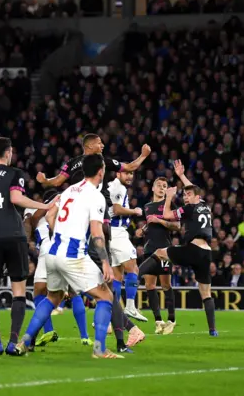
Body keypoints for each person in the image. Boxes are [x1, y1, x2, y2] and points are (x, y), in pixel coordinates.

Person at [36, 134, 151, 347]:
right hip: (96, 224)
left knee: (85, 289)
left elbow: (56, 182)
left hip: (81, 228)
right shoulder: (102, 162)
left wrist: (45, 181)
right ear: (90, 146)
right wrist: (143, 156)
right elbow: (129, 167)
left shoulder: (71, 166)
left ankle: (122, 332)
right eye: (100, 142)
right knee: (102, 285)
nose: (103, 145)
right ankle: (123, 334)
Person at [16, 154, 121, 359]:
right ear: (101, 171)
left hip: (52, 253)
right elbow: (97, 233)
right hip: (73, 255)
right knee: (106, 296)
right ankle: (99, 349)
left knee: (53, 297)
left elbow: (49, 215)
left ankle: (25, 342)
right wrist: (106, 263)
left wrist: (62, 234)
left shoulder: (69, 190)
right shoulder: (96, 196)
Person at [0, 137, 56, 356]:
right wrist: (44, 205)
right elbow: (16, 198)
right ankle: (13, 343)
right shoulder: (15, 174)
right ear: (8, 153)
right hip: (14, 237)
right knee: (18, 292)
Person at [139, 160, 217, 336]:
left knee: (160, 253)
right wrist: (181, 175)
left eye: (188, 196)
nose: (186, 197)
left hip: (193, 249)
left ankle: (134, 277)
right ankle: (213, 330)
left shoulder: (188, 209)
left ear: (195, 198)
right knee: (206, 293)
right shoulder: (204, 206)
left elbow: (167, 215)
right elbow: (193, 189)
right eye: (185, 195)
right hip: (206, 253)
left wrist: (169, 198)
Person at [23, 190, 92, 350]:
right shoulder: (67, 212)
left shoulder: (34, 211)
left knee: (40, 294)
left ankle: (47, 330)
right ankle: (84, 336)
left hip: (48, 250)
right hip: (66, 250)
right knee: (74, 293)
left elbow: (30, 222)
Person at [106, 169, 147, 352]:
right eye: (126, 173)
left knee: (116, 276)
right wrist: (134, 211)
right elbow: (116, 210)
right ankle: (130, 306)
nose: (130, 177)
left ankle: (110, 315)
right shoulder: (119, 188)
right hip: (117, 234)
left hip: (111, 234)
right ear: (118, 174)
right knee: (134, 268)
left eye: (132, 174)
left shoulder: (112, 186)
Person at [136, 177, 180, 334]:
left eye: (165, 186)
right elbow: (148, 226)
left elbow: (177, 226)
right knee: (150, 285)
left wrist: (160, 221)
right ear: (153, 188)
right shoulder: (147, 207)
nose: (162, 188)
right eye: (159, 185)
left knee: (166, 285)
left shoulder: (168, 205)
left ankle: (172, 319)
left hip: (164, 251)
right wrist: (142, 231)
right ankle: (158, 321)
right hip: (149, 250)